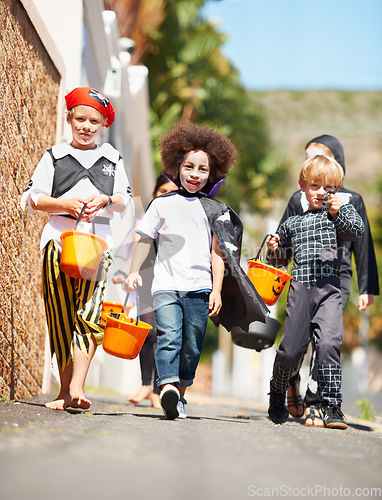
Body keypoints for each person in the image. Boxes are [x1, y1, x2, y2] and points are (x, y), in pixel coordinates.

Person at [124, 123, 268, 420]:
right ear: (177, 166)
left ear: (211, 174)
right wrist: (133, 271)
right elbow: (144, 238)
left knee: (191, 345)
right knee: (169, 336)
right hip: (165, 286)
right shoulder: (161, 204)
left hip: (200, 289)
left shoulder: (214, 210)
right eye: (189, 166)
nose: (194, 174)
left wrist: (216, 290)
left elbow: (219, 255)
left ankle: (180, 395)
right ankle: (165, 387)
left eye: (202, 169)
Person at [21, 87, 131, 411]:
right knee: (60, 317)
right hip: (57, 243)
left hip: (98, 246)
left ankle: (78, 386)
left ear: (102, 124)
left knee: (89, 314)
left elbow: (125, 199)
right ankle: (64, 392)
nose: (86, 126)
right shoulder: (52, 157)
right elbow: (33, 198)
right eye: (80, 118)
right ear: (69, 118)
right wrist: (63, 204)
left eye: (93, 120)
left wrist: (107, 200)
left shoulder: (112, 158)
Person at [280, 135, 379, 426]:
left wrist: (367, 287)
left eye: (318, 156)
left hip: (338, 276)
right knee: (298, 341)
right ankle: (290, 380)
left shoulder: (351, 201)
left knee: (326, 339)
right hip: (303, 275)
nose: (310, 161)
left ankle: (315, 402)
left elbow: (362, 244)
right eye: (306, 156)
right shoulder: (299, 199)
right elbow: (282, 241)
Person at [112, 175, 177, 409]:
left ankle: (159, 390)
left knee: (166, 334)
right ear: (154, 194)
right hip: (146, 279)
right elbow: (129, 250)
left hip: (172, 282)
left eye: (172, 191)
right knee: (148, 331)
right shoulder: (142, 221)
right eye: (162, 191)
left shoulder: (179, 221)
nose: (166, 195)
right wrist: (124, 272)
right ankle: (146, 385)